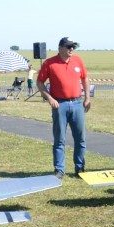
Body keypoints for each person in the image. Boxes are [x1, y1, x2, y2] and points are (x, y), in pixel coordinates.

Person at [37, 37, 91, 178]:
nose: (71, 49)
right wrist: (50, 98)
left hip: (77, 103)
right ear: (60, 48)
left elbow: (85, 78)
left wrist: (87, 98)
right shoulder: (49, 63)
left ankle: (80, 168)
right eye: (68, 46)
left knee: (80, 139)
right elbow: (40, 82)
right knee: (59, 139)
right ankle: (59, 170)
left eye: (73, 46)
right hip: (60, 104)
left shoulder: (78, 60)